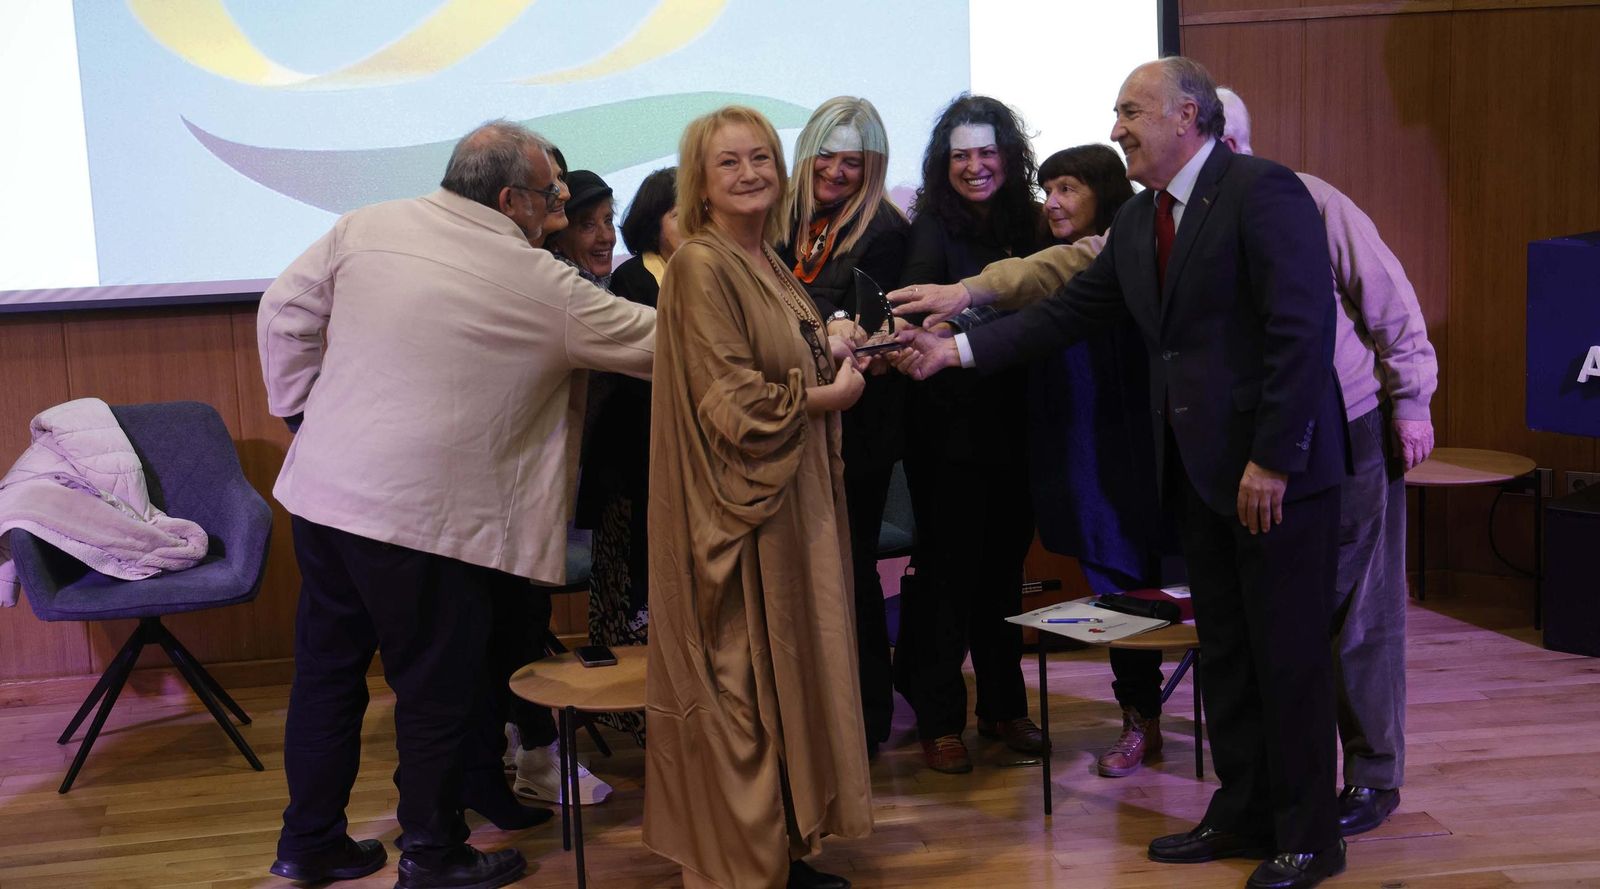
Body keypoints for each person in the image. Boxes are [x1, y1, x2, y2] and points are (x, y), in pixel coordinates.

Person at [897, 58, 1348, 889]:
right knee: (1229, 659)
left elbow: (1301, 328)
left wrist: (1275, 457)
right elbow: (1065, 313)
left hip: (1272, 479)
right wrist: (954, 349)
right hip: (1200, 482)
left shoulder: (1263, 189)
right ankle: (1244, 810)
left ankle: (1310, 834)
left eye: (1129, 111)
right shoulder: (1143, 221)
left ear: (1187, 115)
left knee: (1287, 658)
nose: (1115, 129)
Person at [258, 119, 654, 888]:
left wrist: (305, 414)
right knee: (435, 690)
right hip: (424, 524)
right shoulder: (539, 281)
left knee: (327, 677)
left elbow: (282, 311)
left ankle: (308, 843)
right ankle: (433, 853)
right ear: (511, 199)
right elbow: (662, 340)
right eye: (553, 195)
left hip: (325, 496)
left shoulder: (364, 225)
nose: (562, 207)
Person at [644, 104, 871, 889]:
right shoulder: (704, 264)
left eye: (762, 159)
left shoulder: (769, 260)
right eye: (729, 163)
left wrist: (836, 346)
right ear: (699, 185)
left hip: (788, 497)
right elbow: (732, 403)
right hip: (738, 511)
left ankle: (781, 844)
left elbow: (780, 355)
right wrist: (829, 397)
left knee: (789, 674)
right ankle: (744, 860)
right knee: (743, 681)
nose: (750, 174)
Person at [1215, 86, 1436, 835]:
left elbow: (1389, 302)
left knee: (1362, 611)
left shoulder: (1307, 198)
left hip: (1352, 428)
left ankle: (1375, 775)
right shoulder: (1184, 219)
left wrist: (1413, 400)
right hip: (1259, 446)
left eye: (1236, 143)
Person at [926, 143, 1173, 778]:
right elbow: (1013, 303)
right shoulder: (1045, 252)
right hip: (1070, 440)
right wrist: (942, 340)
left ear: (1104, 192)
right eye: (1049, 189)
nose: (1054, 202)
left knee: (1133, 578)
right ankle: (1140, 714)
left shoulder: (1128, 245)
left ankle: (1143, 719)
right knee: (1109, 579)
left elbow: (1051, 275)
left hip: (1128, 443)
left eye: (1069, 189)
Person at [894, 94, 1051, 775]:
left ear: (1010, 157)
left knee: (1002, 578)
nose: (975, 166)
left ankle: (1003, 706)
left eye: (987, 152)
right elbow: (915, 325)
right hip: (948, 434)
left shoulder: (1032, 223)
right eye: (960, 156)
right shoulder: (930, 227)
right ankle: (938, 717)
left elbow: (1056, 304)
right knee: (948, 578)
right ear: (942, 163)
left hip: (1019, 425)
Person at [776, 96, 910, 757]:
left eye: (851, 161)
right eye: (824, 155)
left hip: (858, 428)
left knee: (849, 568)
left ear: (872, 167)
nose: (834, 171)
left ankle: (865, 719)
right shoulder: (782, 221)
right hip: (792, 421)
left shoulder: (884, 230)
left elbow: (853, 317)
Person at [572, 165, 682, 745]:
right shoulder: (635, 280)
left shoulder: (709, 274)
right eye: (679, 213)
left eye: (606, 221)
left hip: (688, 473)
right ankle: (635, 715)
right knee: (633, 594)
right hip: (635, 471)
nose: (603, 234)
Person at [547, 169, 617, 286]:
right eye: (588, 225)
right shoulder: (561, 290)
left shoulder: (609, 286)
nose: (606, 237)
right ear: (556, 239)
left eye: (608, 221)